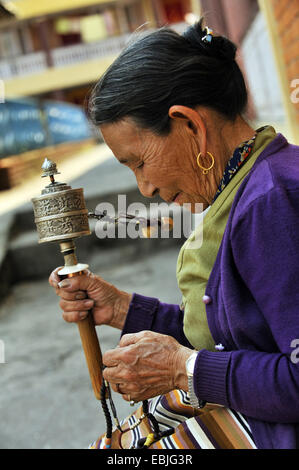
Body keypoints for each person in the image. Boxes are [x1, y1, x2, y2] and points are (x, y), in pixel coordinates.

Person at [49, 20, 299, 449]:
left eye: (138, 162)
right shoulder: (248, 184)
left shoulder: (269, 204)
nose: (145, 188)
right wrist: (122, 308)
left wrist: (184, 370)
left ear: (189, 126)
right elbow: (232, 340)